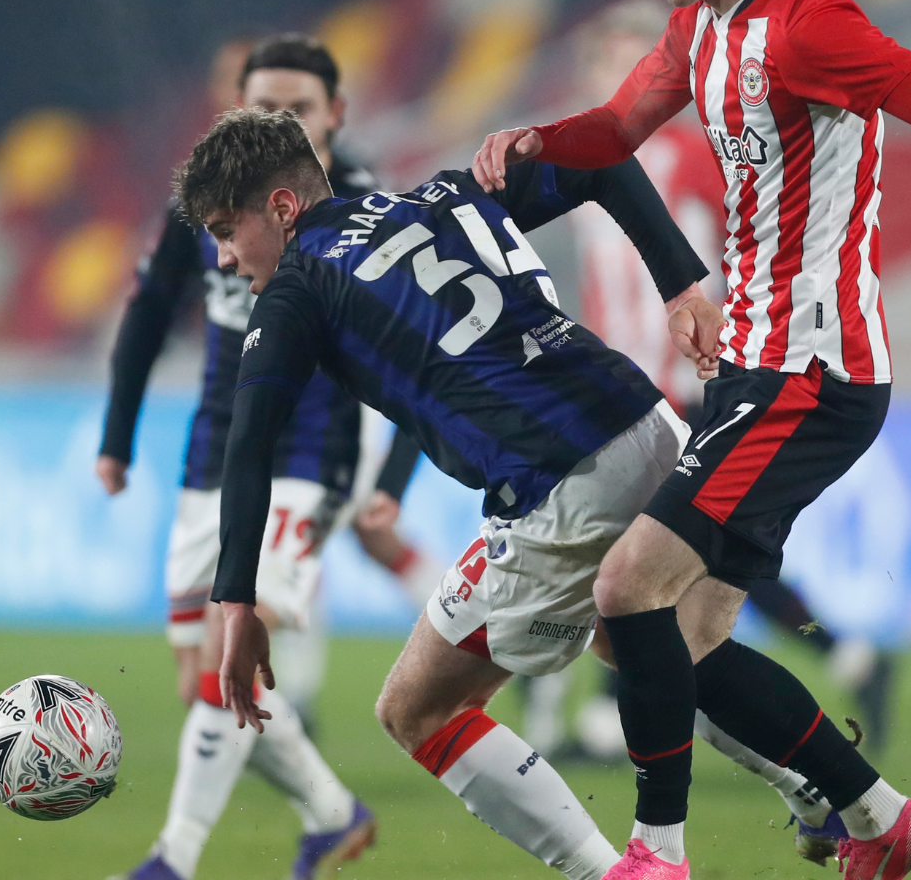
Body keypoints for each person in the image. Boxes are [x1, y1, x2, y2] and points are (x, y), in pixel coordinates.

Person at [470, 0, 911, 880]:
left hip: (815, 371)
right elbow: (615, 133)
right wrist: (527, 145)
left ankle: (657, 853)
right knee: (664, 642)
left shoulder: (809, 28)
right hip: (750, 367)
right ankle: (878, 815)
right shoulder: (703, 26)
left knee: (624, 591)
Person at [188, 107, 731, 880]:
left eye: (223, 229)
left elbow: (248, 444)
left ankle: (617, 874)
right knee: (656, 647)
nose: (223, 258)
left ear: (281, 208)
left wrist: (237, 601)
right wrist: (681, 289)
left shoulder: (299, 282)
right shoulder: (437, 199)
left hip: (559, 483)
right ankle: (851, 799)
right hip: (650, 424)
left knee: (417, 707)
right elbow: (606, 161)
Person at [552, 0, 901, 868]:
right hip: (633, 386)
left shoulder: (682, 158)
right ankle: (844, 682)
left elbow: (716, 262)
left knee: (650, 570)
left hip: (690, 382)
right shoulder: (606, 165)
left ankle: (640, 758)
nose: (616, 80)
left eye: (628, 62)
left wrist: (702, 363)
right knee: (681, 575)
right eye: (605, 64)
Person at [97, 34, 426, 880]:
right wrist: (116, 437)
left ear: (337, 116)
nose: (281, 122)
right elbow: (145, 314)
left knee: (227, 652)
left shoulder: (361, 210)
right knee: (202, 682)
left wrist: (387, 483)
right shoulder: (205, 199)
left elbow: (416, 362)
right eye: (263, 105)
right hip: (212, 455)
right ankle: (331, 812)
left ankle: (172, 859)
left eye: (301, 109)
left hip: (308, 460)